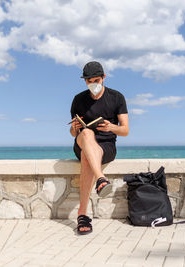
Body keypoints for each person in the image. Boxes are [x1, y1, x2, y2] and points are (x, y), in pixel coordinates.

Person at [69, 61, 129, 235]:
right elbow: (74, 134)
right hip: (82, 142)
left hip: (106, 146)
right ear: (85, 81)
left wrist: (111, 127)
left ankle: (82, 215)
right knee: (86, 133)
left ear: (103, 78)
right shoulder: (78, 99)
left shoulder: (117, 97)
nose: (93, 84)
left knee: (88, 158)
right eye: (89, 81)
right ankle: (101, 179)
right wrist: (74, 127)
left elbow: (125, 130)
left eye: (96, 80)